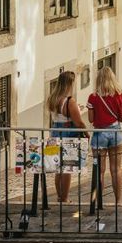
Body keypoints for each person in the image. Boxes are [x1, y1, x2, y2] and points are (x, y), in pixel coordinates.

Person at [87, 66, 122, 204]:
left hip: (100, 134)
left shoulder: (93, 97)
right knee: (116, 169)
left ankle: (98, 202)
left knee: (99, 170)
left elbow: (91, 119)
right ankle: (118, 201)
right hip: (116, 132)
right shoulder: (120, 94)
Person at [47, 71, 87, 203]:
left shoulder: (52, 99)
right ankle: (65, 198)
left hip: (54, 133)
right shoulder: (70, 101)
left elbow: (59, 115)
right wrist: (86, 132)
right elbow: (78, 122)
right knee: (67, 168)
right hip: (68, 134)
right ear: (69, 84)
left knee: (58, 168)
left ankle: (60, 196)